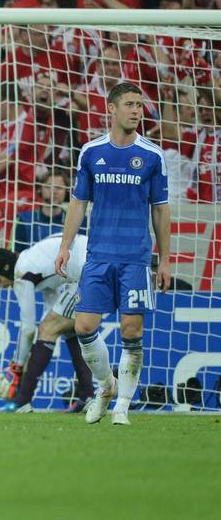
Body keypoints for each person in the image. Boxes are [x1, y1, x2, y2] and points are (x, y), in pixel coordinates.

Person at [55, 81, 171, 427]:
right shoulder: (91, 152)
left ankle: (122, 405)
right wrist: (65, 246)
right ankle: (105, 386)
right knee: (84, 325)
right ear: (112, 108)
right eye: (130, 104)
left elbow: (161, 210)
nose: (137, 111)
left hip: (135, 257)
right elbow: (79, 202)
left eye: (140, 105)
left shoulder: (152, 155)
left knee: (131, 331)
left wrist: (164, 259)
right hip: (98, 255)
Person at [0, 234, 96, 414]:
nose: (2, 285)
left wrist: (17, 366)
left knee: (48, 328)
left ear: (6, 268)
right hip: (95, 264)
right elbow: (50, 312)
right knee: (65, 328)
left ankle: (22, 402)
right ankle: (87, 395)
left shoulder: (21, 272)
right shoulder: (37, 260)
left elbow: (29, 329)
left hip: (88, 272)